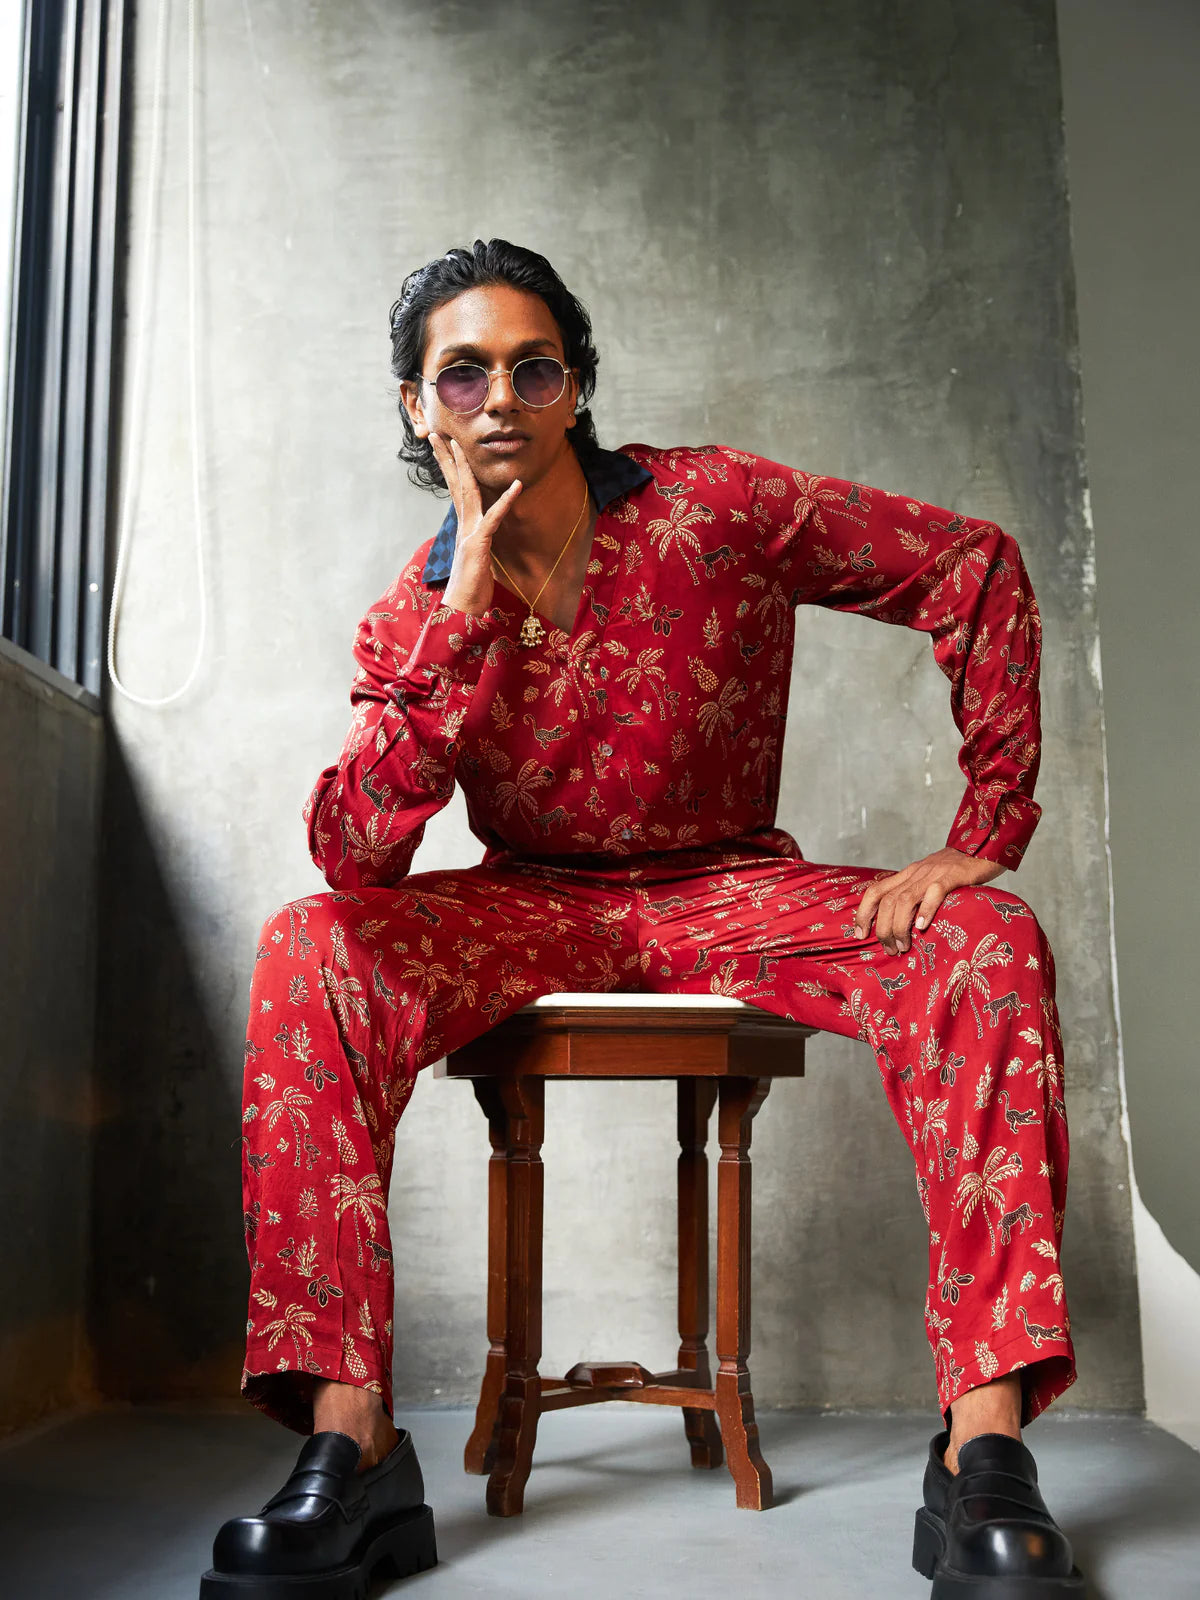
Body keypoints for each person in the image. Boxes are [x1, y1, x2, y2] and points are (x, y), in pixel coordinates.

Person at [201, 239, 1085, 1598]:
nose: (502, 399)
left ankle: (983, 1448)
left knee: (990, 940)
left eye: (535, 368)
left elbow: (971, 566)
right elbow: (355, 854)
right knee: (308, 945)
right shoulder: (415, 612)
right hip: (533, 906)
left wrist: (986, 829)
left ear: (577, 387)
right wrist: (459, 617)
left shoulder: (714, 506)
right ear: (418, 407)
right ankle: (352, 1441)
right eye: (463, 375)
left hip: (734, 892)